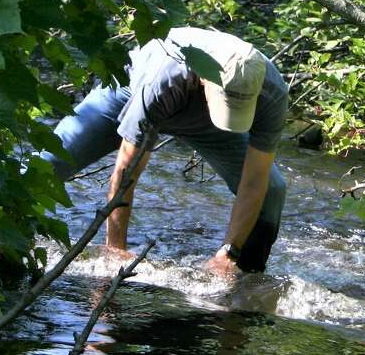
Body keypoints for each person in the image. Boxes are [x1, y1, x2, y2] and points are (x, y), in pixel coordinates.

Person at [42, 27, 288, 275]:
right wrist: (115, 252)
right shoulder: (165, 77)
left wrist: (229, 251)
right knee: (49, 161)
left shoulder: (273, 93)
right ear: (205, 79)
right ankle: (15, 237)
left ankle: (243, 276)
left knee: (272, 191)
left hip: (205, 122)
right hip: (129, 93)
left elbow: (255, 180)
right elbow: (127, 170)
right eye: (228, 104)